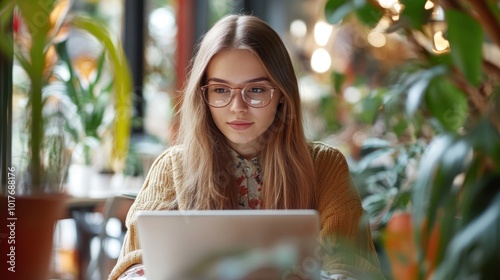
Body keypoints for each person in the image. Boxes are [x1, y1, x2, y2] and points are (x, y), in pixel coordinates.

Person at [109, 14, 384, 280]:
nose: (237, 107)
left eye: (255, 90)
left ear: (281, 95)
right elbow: (135, 263)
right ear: (202, 96)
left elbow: (350, 266)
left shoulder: (326, 167)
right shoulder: (171, 168)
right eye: (220, 90)